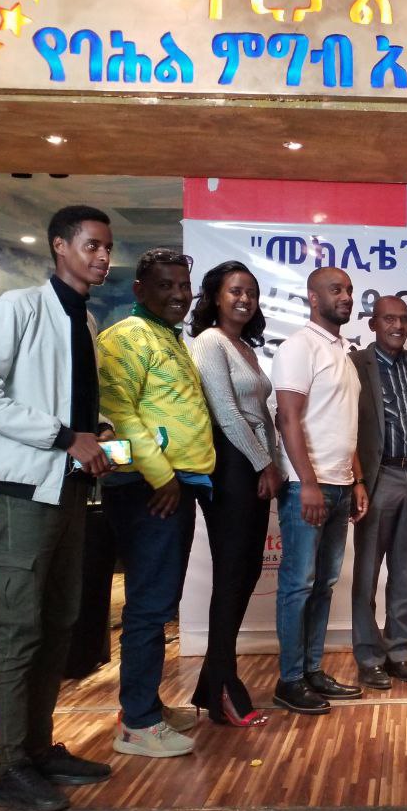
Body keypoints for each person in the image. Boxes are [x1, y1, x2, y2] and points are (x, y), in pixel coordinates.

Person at [0, 204, 115, 811]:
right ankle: (9, 766)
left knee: (59, 620)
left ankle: (39, 748)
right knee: (19, 627)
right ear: (59, 246)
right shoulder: (16, 308)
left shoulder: (85, 320)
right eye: (91, 245)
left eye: (107, 247)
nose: (103, 256)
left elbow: (65, 399)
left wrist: (95, 431)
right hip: (24, 489)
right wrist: (64, 436)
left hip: (68, 487)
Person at [98, 247, 215, 757]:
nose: (178, 295)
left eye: (183, 286)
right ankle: (137, 724)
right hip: (148, 489)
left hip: (174, 485)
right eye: (165, 286)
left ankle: (145, 705)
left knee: (158, 602)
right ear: (139, 290)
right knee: (148, 607)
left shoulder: (168, 336)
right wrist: (161, 476)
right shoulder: (124, 337)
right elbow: (119, 413)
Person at [188, 261, 283, 726]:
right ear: (214, 297)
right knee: (231, 575)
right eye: (235, 291)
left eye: (251, 292)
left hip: (253, 467)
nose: (245, 299)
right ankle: (224, 688)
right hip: (231, 466)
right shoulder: (210, 341)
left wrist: (270, 462)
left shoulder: (244, 345)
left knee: (245, 572)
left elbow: (260, 414)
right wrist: (264, 463)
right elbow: (226, 413)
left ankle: (213, 683)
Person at [271, 266, 368, 715]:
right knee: (298, 585)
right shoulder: (300, 346)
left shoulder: (342, 351)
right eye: (335, 289)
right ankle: (289, 680)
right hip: (307, 488)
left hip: (340, 485)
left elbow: (343, 425)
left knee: (324, 585)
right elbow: (287, 418)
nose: (345, 296)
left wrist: (357, 479)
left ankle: (311, 670)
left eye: (348, 290)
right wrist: (307, 482)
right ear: (313, 297)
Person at [349, 295, 407, 690]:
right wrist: (357, 480)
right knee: (367, 572)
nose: (397, 326)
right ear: (373, 324)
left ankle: (399, 652)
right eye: (388, 319)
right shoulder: (355, 365)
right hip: (378, 477)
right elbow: (346, 425)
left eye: (403, 319)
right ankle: (369, 657)